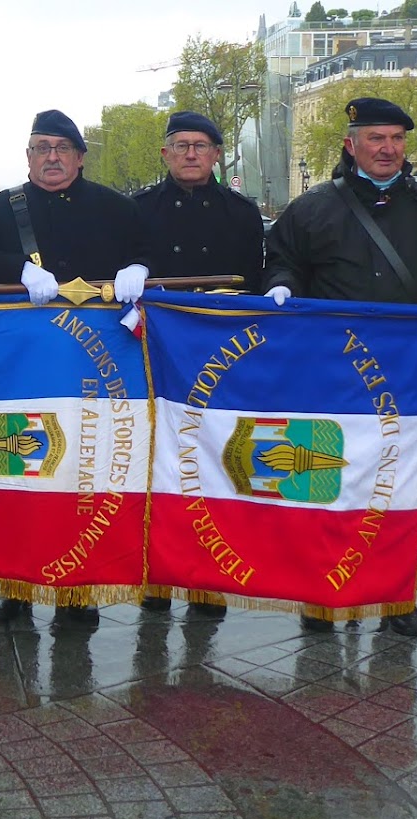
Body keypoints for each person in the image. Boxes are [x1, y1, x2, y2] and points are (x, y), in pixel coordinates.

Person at [264, 96, 417, 637]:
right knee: (322, 479)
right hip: (332, 376)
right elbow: (282, 260)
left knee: (401, 490)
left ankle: (399, 591)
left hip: (409, 377)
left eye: (397, 139)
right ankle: (321, 593)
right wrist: (280, 285)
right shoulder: (311, 209)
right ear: (351, 144)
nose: (388, 149)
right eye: (376, 138)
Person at [0, 109, 150, 629]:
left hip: (89, 369)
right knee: (16, 472)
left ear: (80, 157)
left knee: (82, 471)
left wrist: (141, 267)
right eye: (41, 147)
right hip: (18, 370)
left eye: (62, 148)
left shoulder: (116, 208)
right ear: (27, 157)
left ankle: (78, 589)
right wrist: (14, 268)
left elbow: (145, 253)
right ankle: (13, 586)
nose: (51, 157)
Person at [134, 110, 264, 620]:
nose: (191, 154)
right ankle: (158, 576)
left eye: (201, 145)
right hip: (159, 357)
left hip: (220, 355)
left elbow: (254, 279)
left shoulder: (242, 212)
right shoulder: (138, 208)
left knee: (213, 461)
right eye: (181, 145)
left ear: (216, 155)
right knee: (159, 463)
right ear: (164, 154)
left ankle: (207, 578)